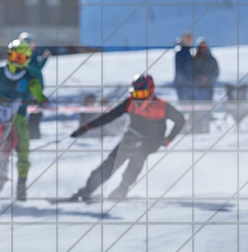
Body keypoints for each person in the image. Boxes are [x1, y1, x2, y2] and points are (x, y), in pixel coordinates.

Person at [67, 74, 185, 202]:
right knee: (111, 163)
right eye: (135, 95)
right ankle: (87, 190)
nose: (138, 99)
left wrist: (168, 139)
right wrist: (86, 127)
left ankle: (122, 188)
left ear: (150, 91)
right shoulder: (130, 103)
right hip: (132, 136)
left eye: (141, 95)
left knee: (138, 156)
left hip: (152, 141)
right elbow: (109, 116)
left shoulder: (161, 106)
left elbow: (180, 120)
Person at [0, 38, 48, 201]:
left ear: (26, 60)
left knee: (23, 148)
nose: (16, 61)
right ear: (9, 55)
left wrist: (41, 99)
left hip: (18, 117)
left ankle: (21, 185)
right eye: (14, 56)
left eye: (21, 58)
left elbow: (37, 90)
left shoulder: (30, 76)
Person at [20, 31, 50, 139]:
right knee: (27, 113)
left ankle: (34, 135)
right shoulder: (24, 56)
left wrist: (45, 58)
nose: (33, 45)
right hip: (29, 90)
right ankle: (30, 135)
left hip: (35, 88)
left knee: (36, 113)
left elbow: (38, 66)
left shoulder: (31, 55)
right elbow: (33, 69)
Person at [191, 37, 219, 134]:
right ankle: (197, 129)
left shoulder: (211, 59)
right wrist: (197, 79)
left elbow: (216, 72)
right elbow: (191, 73)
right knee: (197, 110)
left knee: (206, 109)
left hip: (208, 88)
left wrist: (207, 79)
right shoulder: (194, 59)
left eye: (204, 46)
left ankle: (206, 129)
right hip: (197, 89)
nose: (203, 48)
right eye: (201, 46)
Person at [173, 31, 194, 102]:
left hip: (187, 84)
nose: (189, 41)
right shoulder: (181, 52)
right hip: (183, 85)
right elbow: (180, 69)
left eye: (190, 39)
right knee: (185, 105)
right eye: (187, 39)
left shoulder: (186, 51)